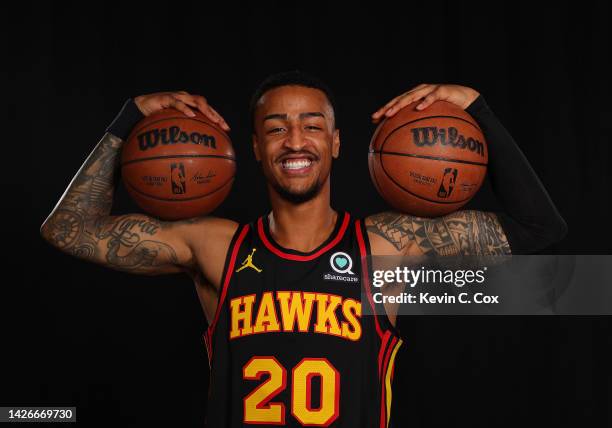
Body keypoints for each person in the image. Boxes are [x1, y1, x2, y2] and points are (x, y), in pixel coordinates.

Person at [40, 71, 566, 427]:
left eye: (312, 126)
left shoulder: (385, 248)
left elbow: (539, 227)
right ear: (254, 148)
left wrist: (478, 109)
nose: (295, 140)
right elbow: (67, 229)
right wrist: (128, 119)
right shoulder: (216, 246)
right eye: (276, 128)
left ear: (336, 143)